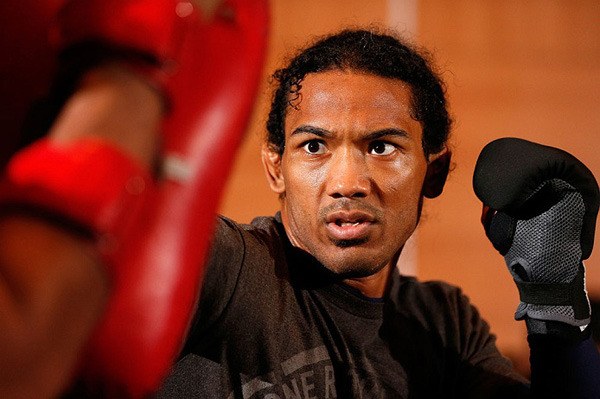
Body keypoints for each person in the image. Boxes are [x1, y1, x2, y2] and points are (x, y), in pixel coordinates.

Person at [1, 2, 599, 399]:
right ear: (275, 168)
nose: (347, 181)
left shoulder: (444, 325)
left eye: (383, 148)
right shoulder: (229, 269)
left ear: (434, 172)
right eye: (313, 146)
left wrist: (554, 300)